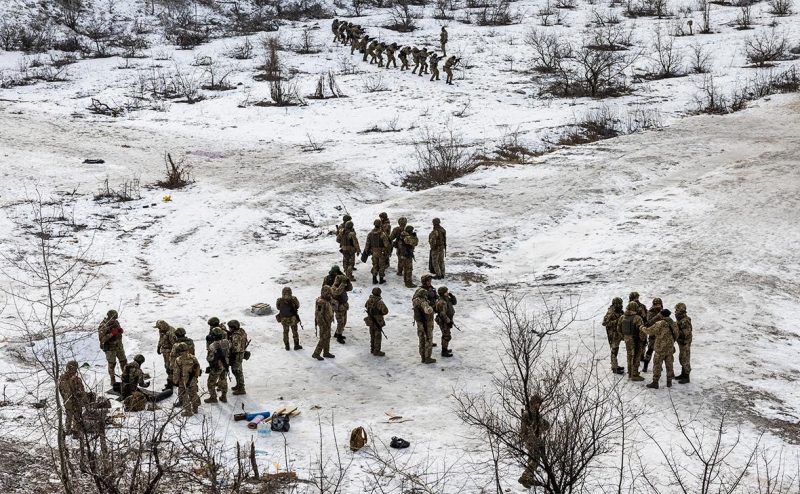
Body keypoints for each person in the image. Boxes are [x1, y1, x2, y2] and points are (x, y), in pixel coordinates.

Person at [641, 309, 679, 389]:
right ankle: (669, 382)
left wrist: (641, 327)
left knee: (657, 365)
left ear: (661, 315)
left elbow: (649, 331)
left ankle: (655, 382)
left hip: (660, 349)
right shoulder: (673, 323)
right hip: (669, 348)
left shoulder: (660, 323)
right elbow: (677, 334)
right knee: (669, 365)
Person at [518, 394, 549, 489]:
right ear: (534, 403)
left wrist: (543, 425)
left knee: (531, 458)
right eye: (538, 403)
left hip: (533, 438)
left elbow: (543, 424)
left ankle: (530, 478)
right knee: (536, 459)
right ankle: (524, 477)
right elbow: (526, 428)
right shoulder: (529, 413)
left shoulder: (534, 413)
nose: (539, 405)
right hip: (531, 439)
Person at [59, 360, 88, 437]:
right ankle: (76, 431)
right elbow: (81, 391)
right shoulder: (76, 379)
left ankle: (68, 429)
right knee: (77, 416)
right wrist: (84, 400)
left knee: (69, 415)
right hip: (75, 401)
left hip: (67, 401)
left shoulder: (61, 378)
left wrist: (65, 398)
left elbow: (60, 390)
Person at [98, 309, 127, 385]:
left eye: (115, 319)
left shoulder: (116, 322)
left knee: (124, 361)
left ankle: (125, 378)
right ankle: (112, 379)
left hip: (119, 346)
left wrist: (120, 331)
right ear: (109, 317)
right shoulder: (103, 325)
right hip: (110, 349)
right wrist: (111, 334)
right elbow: (102, 339)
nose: (114, 320)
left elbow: (118, 330)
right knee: (112, 364)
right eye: (113, 318)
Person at [618, 302, 645, 381]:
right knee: (636, 356)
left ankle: (630, 372)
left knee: (629, 356)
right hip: (636, 340)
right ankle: (635, 374)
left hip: (627, 339)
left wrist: (624, 337)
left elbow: (618, 328)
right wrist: (642, 340)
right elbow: (641, 330)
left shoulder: (622, 317)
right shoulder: (637, 318)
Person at [413, 276, 437, 364]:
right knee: (427, 337)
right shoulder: (421, 293)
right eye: (428, 281)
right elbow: (427, 310)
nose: (429, 282)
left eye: (430, 280)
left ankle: (423, 356)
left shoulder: (431, 289)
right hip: (425, 318)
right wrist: (430, 307)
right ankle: (427, 357)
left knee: (422, 337)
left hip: (422, 319)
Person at [174, 343, 201, 417]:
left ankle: (188, 411)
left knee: (183, 396)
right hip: (193, 380)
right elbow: (198, 368)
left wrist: (175, 381)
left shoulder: (178, 360)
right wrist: (195, 376)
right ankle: (195, 408)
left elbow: (176, 372)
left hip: (183, 382)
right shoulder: (193, 357)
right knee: (193, 394)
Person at [205, 327, 230, 403]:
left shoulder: (212, 345)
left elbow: (210, 358)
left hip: (217, 366)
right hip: (225, 364)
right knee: (223, 380)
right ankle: (224, 396)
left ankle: (213, 397)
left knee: (211, 382)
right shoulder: (226, 341)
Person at [364, 219, 391, 284]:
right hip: (381, 253)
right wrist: (388, 252)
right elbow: (386, 244)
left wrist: (366, 251)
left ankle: (374, 279)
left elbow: (367, 244)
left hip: (374, 252)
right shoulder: (382, 234)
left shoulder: (370, 234)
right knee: (381, 266)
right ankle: (381, 279)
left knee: (375, 265)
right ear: (380, 225)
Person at [602, 297, 625, 375]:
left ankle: (615, 365)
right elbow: (605, 323)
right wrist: (616, 321)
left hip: (619, 333)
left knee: (616, 349)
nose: (620, 305)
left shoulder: (620, 311)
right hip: (613, 334)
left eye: (621, 303)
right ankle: (614, 367)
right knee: (614, 350)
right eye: (619, 304)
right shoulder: (610, 313)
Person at [312, 285, 336, 361]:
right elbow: (319, 314)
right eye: (328, 293)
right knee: (323, 338)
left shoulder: (327, 300)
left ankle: (326, 352)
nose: (330, 295)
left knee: (328, 337)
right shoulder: (321, 302)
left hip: (327, 322)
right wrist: (323, 323)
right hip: (323, 323)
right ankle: (316, 353)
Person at [276, 286, 303, 351]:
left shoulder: (279, 300)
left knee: (285, 332)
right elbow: (298, 306)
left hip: (284, 319)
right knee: (295, 332)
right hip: (293, 318)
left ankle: (287, 346)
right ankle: (296, 345)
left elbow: (278, 308)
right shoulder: (294, 299)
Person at [365, 287, 389, 356]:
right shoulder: (379, 302)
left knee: (372, 334)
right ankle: (377, 350)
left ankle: (372, 348)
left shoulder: (369, 300)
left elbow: (366, 306)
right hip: (377, 321)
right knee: (377, 336)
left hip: (370, 320)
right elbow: (385, 311)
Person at [642, 297, 664, 372]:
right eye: (656, 305)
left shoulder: (662, 311)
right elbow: (648, 323)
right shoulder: (650, 312)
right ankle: (645, 366)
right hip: (653, 335)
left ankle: (659, 366)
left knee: (660, 352)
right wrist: (657, 317)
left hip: (661, 335)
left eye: (659, 304)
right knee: (650, 350)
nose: (658, 306)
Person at [331, 271, 353, 344]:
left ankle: (337, 333)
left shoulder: (342, 286)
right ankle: (339, 336)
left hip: (344, 306)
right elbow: (338, 292)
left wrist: (348, 282)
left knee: (344, 321)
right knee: (341, 322)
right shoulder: (333, 287)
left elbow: (350, 289)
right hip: (338, 307)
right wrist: (342, 284)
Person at [434, 286, 457, 357]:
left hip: (448, 319)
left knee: (447, 334)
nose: (447, 292)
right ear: (442, 293)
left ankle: (445, 348)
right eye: (446, 292)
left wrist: (452, 297)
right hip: (444, 321)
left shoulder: (447, 299)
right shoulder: (441, 302)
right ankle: (444, 351)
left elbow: (454, 303)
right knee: (446, 336)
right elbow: (442, 314)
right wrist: (448, 321)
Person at [675, 302, 693, 384]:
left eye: (677, 310)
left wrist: (677, 332)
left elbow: (687, 332)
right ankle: (683, 374)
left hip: (685, 342)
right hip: (681, 342)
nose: (675, 312)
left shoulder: (684, 320)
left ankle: (686, 376)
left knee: (685, 359)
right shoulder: (680, 319)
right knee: (682, 358)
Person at [228, 319, 248, 395]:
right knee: (235, 370)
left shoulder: (236, 336)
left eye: (230, 327)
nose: (229, 329)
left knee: (237, 371)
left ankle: (241, 388)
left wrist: (229, 345)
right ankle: (238, 385)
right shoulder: (241, 331)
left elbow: (235, 348)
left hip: (237, 355)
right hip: (241, 353)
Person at [155, 320, 176, 389]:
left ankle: (171, 383)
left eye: (159, 327)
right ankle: (172, 380)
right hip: (165, 351)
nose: (158, 329)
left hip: (170, 352)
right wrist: (158, 347)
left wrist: (173, 354)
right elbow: (161, 339)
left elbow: (174, 344)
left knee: (170, 368)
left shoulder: (171, 332)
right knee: (167, 366)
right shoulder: (162, 331)